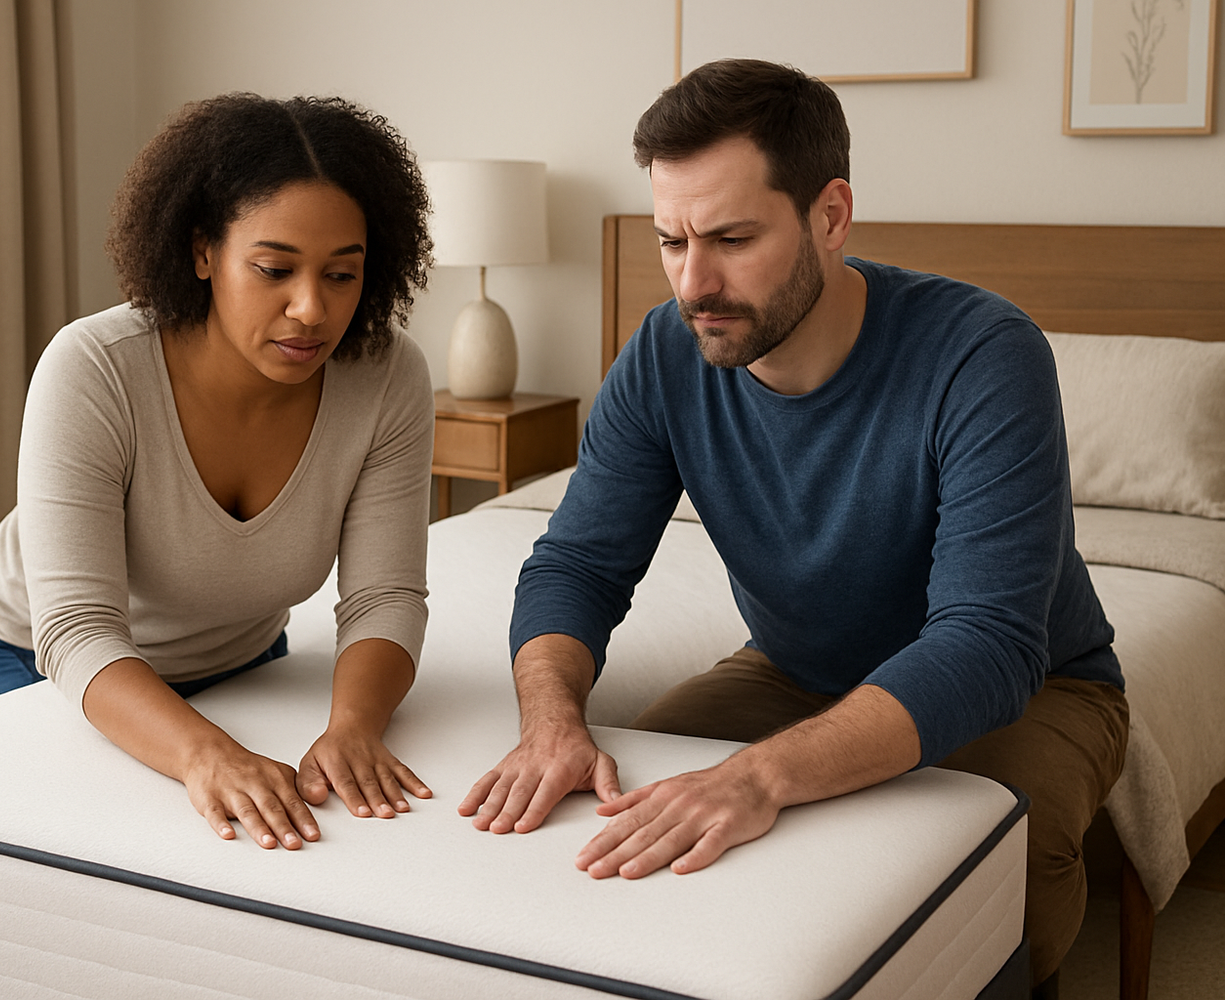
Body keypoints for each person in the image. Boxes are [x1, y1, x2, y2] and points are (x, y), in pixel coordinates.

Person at [458, 59, 1127, 990]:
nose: (695, 283)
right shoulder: (664, 352)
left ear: (831, 215)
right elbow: (578, 562)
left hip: (1037, 688)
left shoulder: (983, 353)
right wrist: (550, 720)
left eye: (732, 238)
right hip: (792, 671)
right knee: (620, 818)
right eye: (670, 240)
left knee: (998, 866)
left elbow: (986, 644)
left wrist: (762, 777)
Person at [0, 93, 438, 854]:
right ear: (203, 252)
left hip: (238, 660)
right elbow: (74, 628)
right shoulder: (94, 368)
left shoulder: (386, 376)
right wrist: (206, 753)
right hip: (23, 650)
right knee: (81, 846)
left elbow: (385, 596)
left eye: (341, 274)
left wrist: (353, 729)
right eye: (274, 269)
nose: (310, 309)